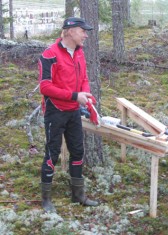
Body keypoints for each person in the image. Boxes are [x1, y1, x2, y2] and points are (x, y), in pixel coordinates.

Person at [38, 17, 99, 213]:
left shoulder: (80, 53)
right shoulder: (49, 55)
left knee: (78, 152)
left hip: (73, 111)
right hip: (55, 112)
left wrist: (86, 96)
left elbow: (84, 79)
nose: (86, 35)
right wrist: (75, 96)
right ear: (70, 31)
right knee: (52, 154)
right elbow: (45, 87)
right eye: (83, 31)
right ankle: (46, 200)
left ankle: (78, 195)